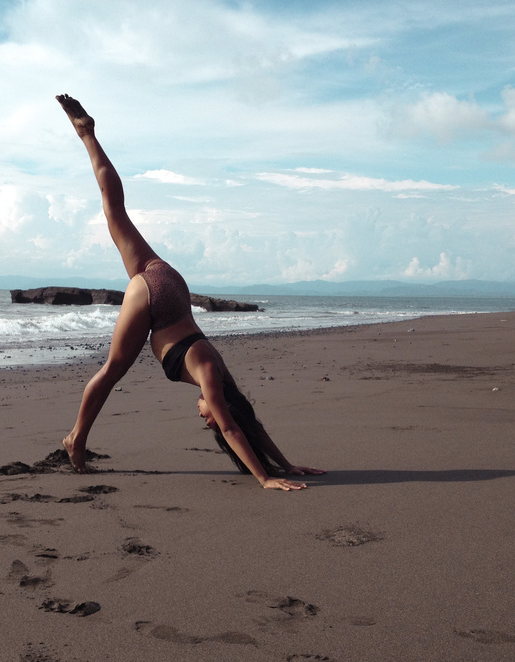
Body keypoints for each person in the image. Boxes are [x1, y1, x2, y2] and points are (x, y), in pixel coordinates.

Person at [56, 94, 323, 490]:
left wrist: (287, 463)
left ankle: (87, 135)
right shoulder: (213, 379)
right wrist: (266, 478)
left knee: (116, 213)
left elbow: (248, 423)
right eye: (208, 417)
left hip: (173, 285)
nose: (204, 417)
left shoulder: (225, 384)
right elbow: (233, 429)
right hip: (156, 298)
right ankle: (76, 438)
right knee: (112, 370)